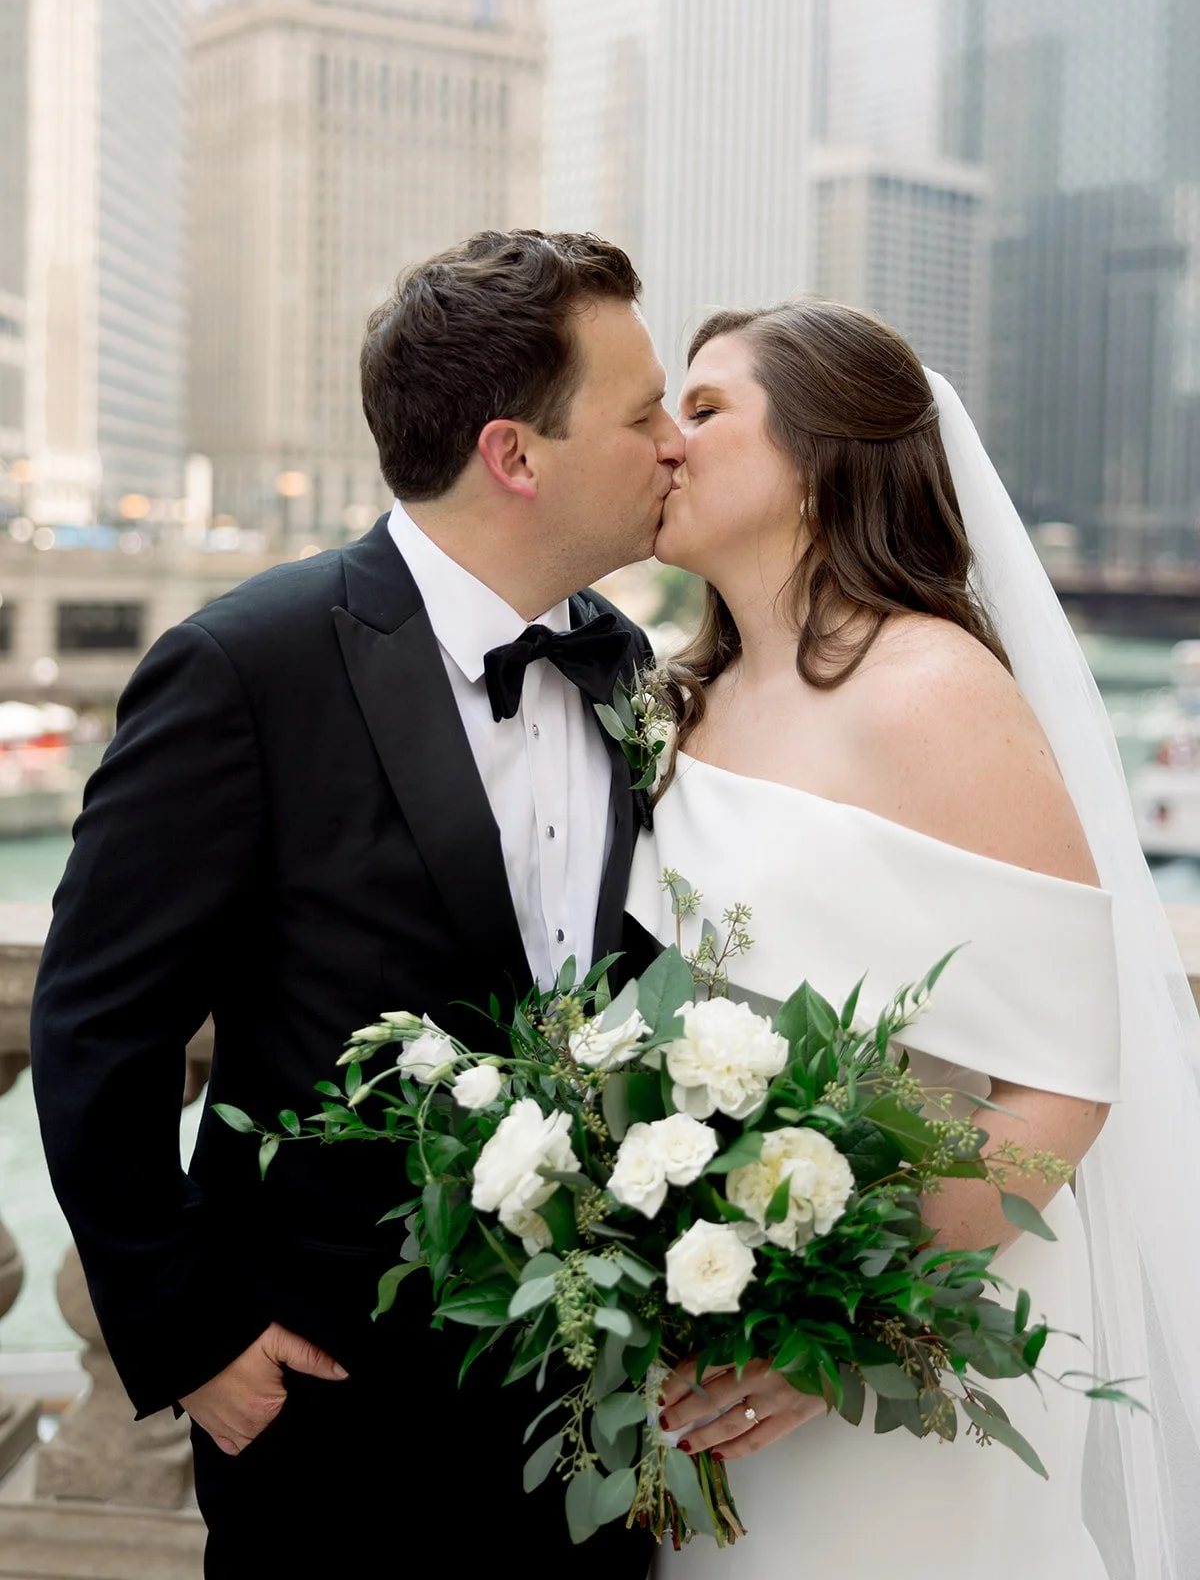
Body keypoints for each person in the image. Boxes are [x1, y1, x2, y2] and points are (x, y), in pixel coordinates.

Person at [30, 229, 683, 1576]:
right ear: (517, 455)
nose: (674, 442)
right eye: (643, 413)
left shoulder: (625, 665)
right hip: (327, 1410)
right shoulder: (242, 666)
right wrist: (193, 1339)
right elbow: (98, 1029)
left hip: (595, 1409)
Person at [626, 298, 1200, 1578]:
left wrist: (839, 1333)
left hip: (899, 1356)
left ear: (826, 458)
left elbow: (1065, 1081)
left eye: (708, 410)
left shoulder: (932, 689)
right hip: (711, 1342)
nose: (667, 439)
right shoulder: (682, 699)